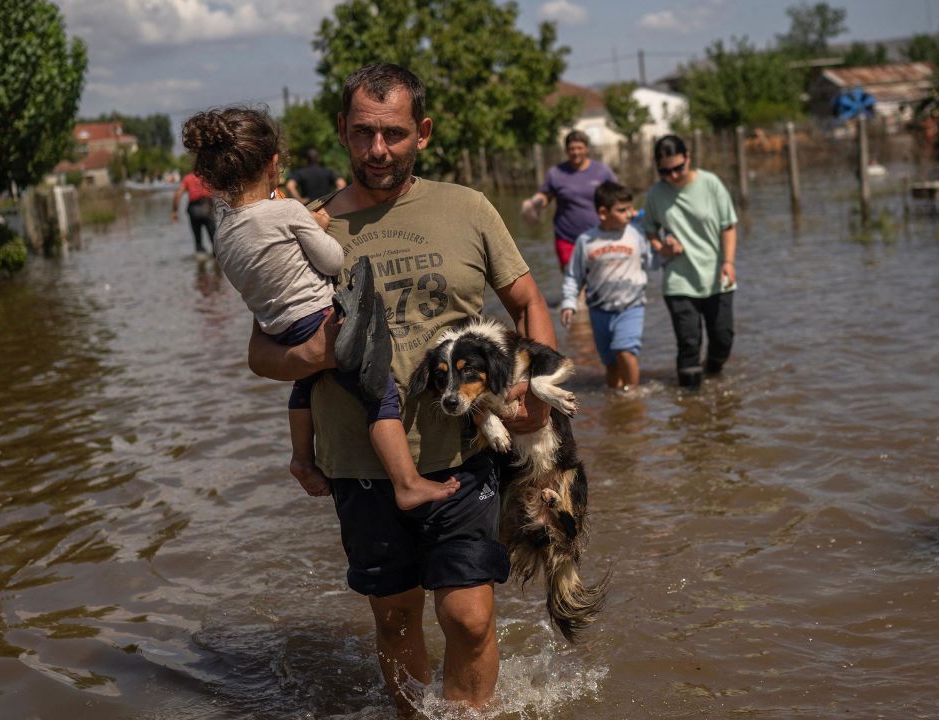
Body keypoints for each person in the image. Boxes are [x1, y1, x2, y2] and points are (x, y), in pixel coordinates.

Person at [246, 63, 555, 713]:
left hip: (465, 451)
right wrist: (313, 351)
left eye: (393, 134)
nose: (377, 150)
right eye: (362, 134)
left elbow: (527, 301)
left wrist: (532, 398)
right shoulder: (307, 229)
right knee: (393, 622)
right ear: (341, 132)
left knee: (469, 619)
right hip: (360, 465)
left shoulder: (467, 209)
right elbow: (260, 354)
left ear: (424, 133)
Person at [181, 106, 459, 512]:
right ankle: (407, 481)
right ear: (274, 164)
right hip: (320, 316)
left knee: (305, 383)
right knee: (380, 394)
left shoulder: (223, 234)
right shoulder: (289, 211)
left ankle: (301, 459)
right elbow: (331, 261)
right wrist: (318, 226)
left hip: (278, 326)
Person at [642, 134, 738, 388]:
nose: (672, 176)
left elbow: (728, 226)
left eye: (678, 168)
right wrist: (662, 247)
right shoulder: (655, 194)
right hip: (679, 280)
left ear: (688, 158)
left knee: (722, 340)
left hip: (717, 277)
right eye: (665, 171)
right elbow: (649, 230)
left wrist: (728, 262)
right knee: (688, 343)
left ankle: (714, 377)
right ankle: (691, 412)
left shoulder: (711, 183)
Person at [560, 181, 656, 393]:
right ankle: (615, 398)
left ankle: (632, 395)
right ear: (603, 213)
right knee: (610, 363)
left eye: (630, 208)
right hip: (599, 310)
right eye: (622, 210)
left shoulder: (636, 234)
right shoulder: (586, 241)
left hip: (631, 306)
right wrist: (569, 303)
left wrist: (666, 247)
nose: (629, 214)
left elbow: (652, 261)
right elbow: (574, 276)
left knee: (625, 352)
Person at [521, 130, 617, 271]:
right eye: (571, 149)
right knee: (572, 282)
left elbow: (617, 196)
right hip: (567, 238)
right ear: (566, 150)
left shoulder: (602, 171)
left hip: (598, 236)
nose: (575, 152)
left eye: (579, 148)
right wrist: (534, 203)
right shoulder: (556, 173)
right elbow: (546, 196)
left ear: (587, 149)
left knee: (600, 279)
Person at [171, 170, 216, 254]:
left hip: (194, 210)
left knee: (198, 240)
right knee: (214, 239)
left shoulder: (188, 178)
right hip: (207, 208)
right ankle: (217, 262)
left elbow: (178, 194)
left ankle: (201, 260)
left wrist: (175, 211)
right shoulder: (208, 176)